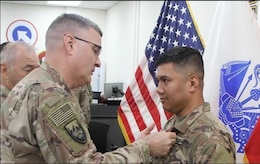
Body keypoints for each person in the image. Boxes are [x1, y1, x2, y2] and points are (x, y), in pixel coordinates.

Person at [1, 13, 176, 163]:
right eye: (95, 50)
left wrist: (136, 147)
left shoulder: (31, 84)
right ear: (70, 44)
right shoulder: (50, 94)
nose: (98, 62)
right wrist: (146, 148)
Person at [151, 47, 236, 163]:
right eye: (158, 81)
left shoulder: (212, 141)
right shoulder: (173, 124)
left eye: (165, 80)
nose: (159, 90)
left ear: (192, 83)